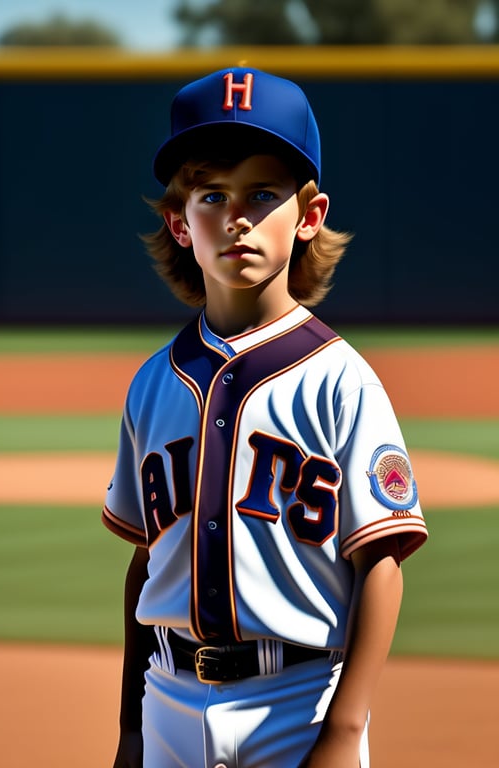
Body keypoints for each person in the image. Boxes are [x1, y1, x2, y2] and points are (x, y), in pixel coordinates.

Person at [102, 67, 428, 768]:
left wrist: (343, 732)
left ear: (309, 216)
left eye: (262, 193)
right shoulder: (152, 384)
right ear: (179, 223)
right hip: (168, 701)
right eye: (211, 195)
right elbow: (145, 562)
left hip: (300, 704)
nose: (236, 216)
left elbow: (382, 563)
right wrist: (130, 727)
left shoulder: (342, 379)